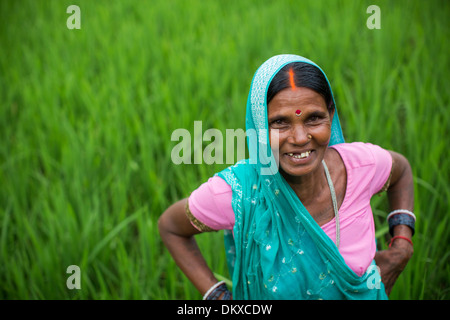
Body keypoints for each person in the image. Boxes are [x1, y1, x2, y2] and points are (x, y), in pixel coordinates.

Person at [158, 54, 415, 300]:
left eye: (314, 118)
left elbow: (401, 170)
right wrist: (218, 296)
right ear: (259, 126)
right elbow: (171, 227)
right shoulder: (240, 192)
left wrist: (401, 247)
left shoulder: (360, 167)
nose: (301, 138)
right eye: (280, 122)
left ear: (331, 116)